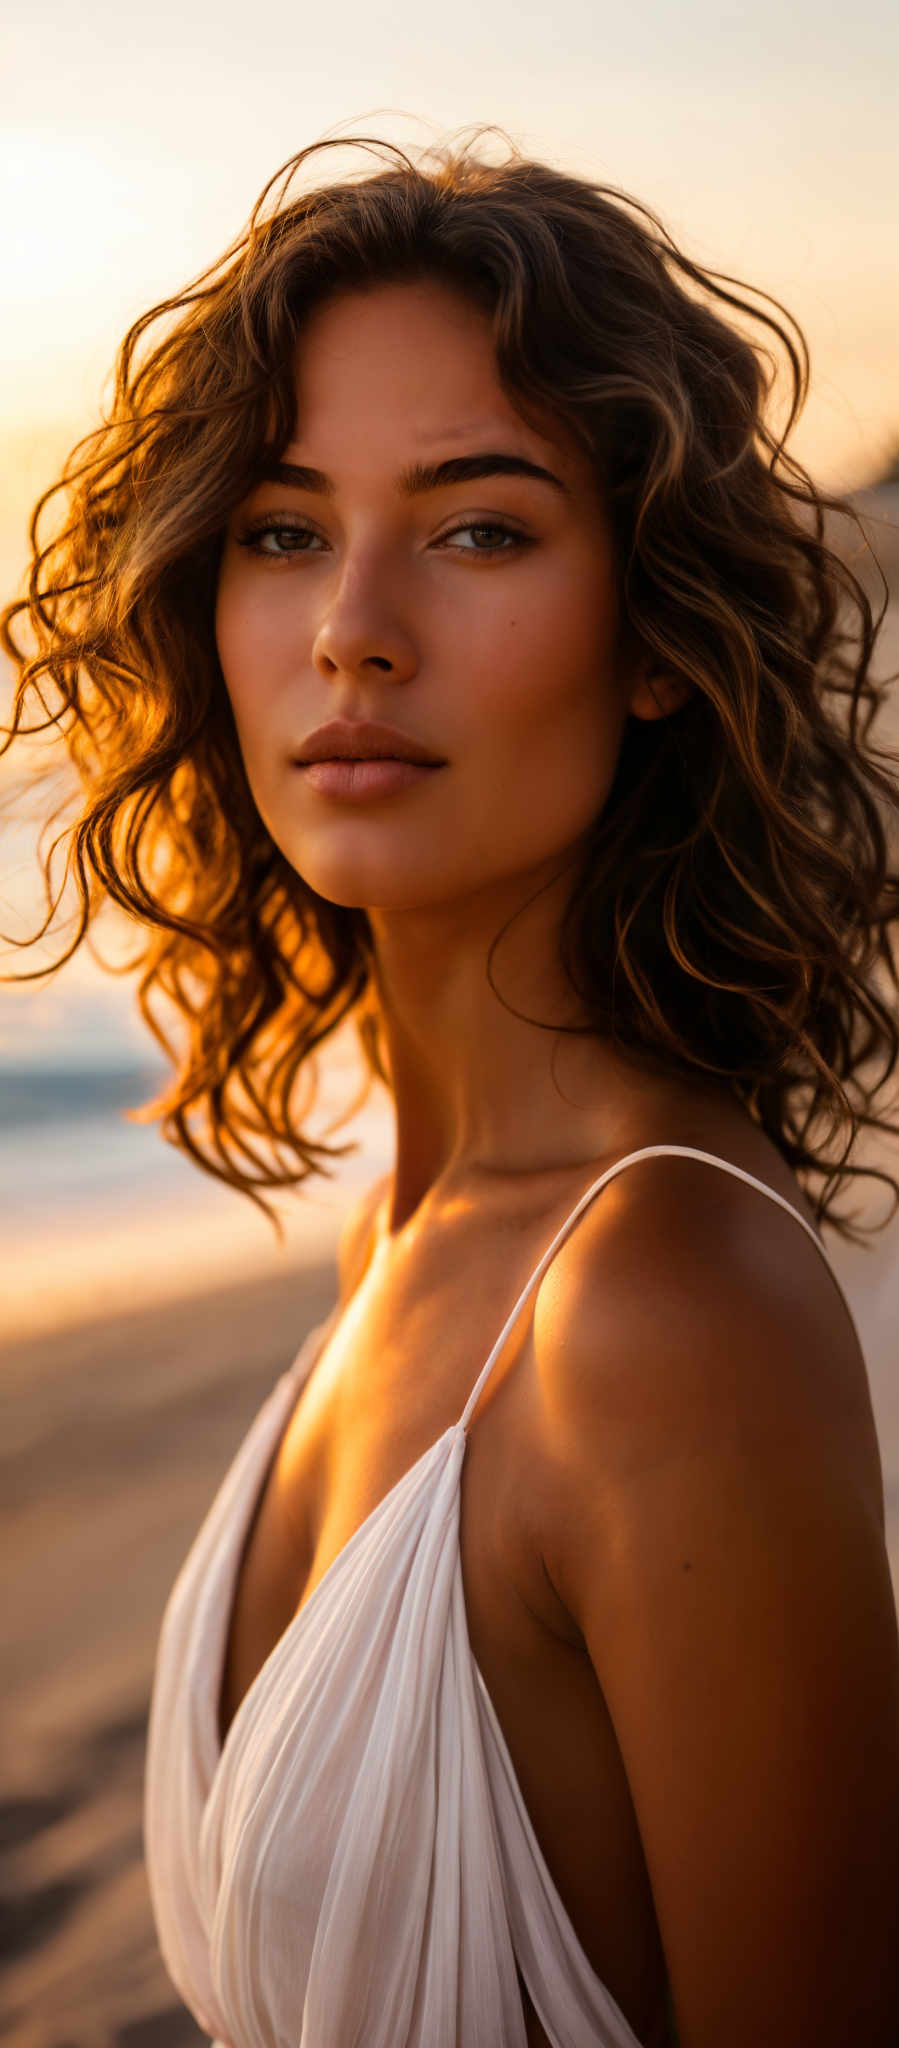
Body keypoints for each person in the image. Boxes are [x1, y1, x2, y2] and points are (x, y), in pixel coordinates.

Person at [3, 127, 899, 2048]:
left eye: (481, 525)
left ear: (656, 634)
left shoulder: (661, 1313)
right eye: (283, 529)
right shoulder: (402, 1243)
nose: (354, 627)